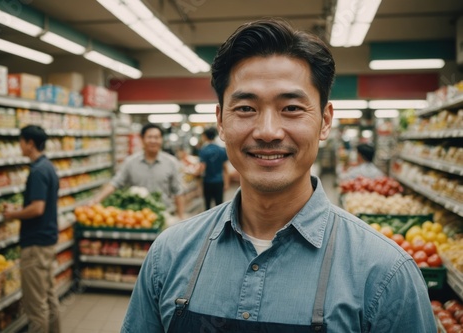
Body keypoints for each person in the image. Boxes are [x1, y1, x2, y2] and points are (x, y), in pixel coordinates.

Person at [120, 19, 436, 332]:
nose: (268, 132)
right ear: (220, 120)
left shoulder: (385, 275)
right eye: (245, 108)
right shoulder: (169, 254)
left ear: (325, 121)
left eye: (292, 108)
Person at [3, 125, 60, 333]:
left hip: (35, 243)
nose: (19, 145)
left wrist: (12, 214)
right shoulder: (49, 167)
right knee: (49, 297)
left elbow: (37, 208)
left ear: (30, 143)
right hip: (46, 240)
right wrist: (19, 209)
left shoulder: (37, 171)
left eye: (21, 141)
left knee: (36, 306)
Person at [92, 123, 185, 219]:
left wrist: (181, 218)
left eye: (157, 137)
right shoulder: (130, 162)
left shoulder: (171, 163)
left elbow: (178, 192)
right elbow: (115, 183)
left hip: (163, 215)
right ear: (142, 139)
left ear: (161, 140)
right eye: (149, 137)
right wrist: (96, 200)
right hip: (137, 217)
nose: (153, 141)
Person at [197, 127, 230, 210]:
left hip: (207, 182)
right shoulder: (222, 150)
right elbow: (225, 168)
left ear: (205, 136)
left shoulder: (203, 150)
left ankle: (209, 222)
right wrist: (226, 183)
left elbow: (202, 167)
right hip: (219, 181)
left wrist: (195, 173)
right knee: (220, 206)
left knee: (207, 206)